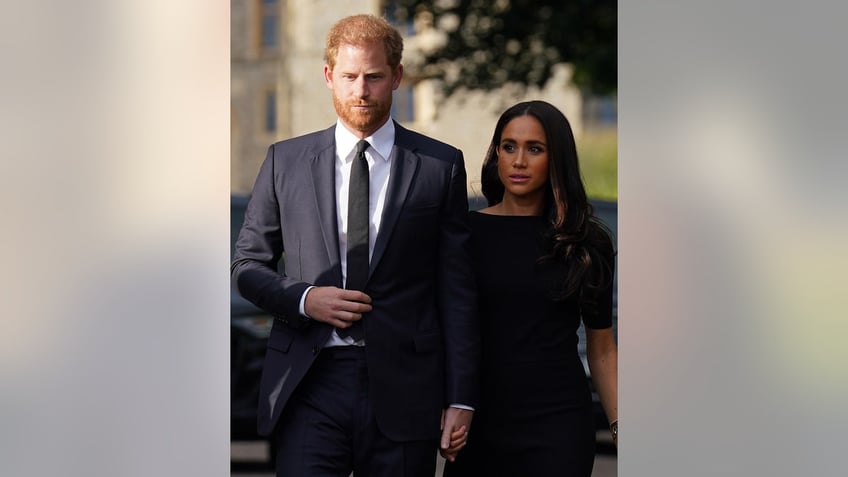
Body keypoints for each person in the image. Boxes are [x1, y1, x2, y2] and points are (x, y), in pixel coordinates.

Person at [231, 14, 478, 477]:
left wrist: (461, 397)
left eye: (374, 77)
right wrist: (305, 299)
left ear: (397, 77)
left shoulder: (439, 167)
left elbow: (457, 292)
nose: (360, 91)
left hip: (407, 386)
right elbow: (246, 265)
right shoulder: (285, 161)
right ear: (329, 76)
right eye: (348, 77)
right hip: (308, 380)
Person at [443, 100, 619, 476]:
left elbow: (602, 350)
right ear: (496, 155)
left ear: (556, 160)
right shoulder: (464, 234)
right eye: (509, 147)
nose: (519, 161)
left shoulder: (586, 242)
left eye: (534, 149)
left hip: (558, 425)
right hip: (479, 422)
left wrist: (621, 427)